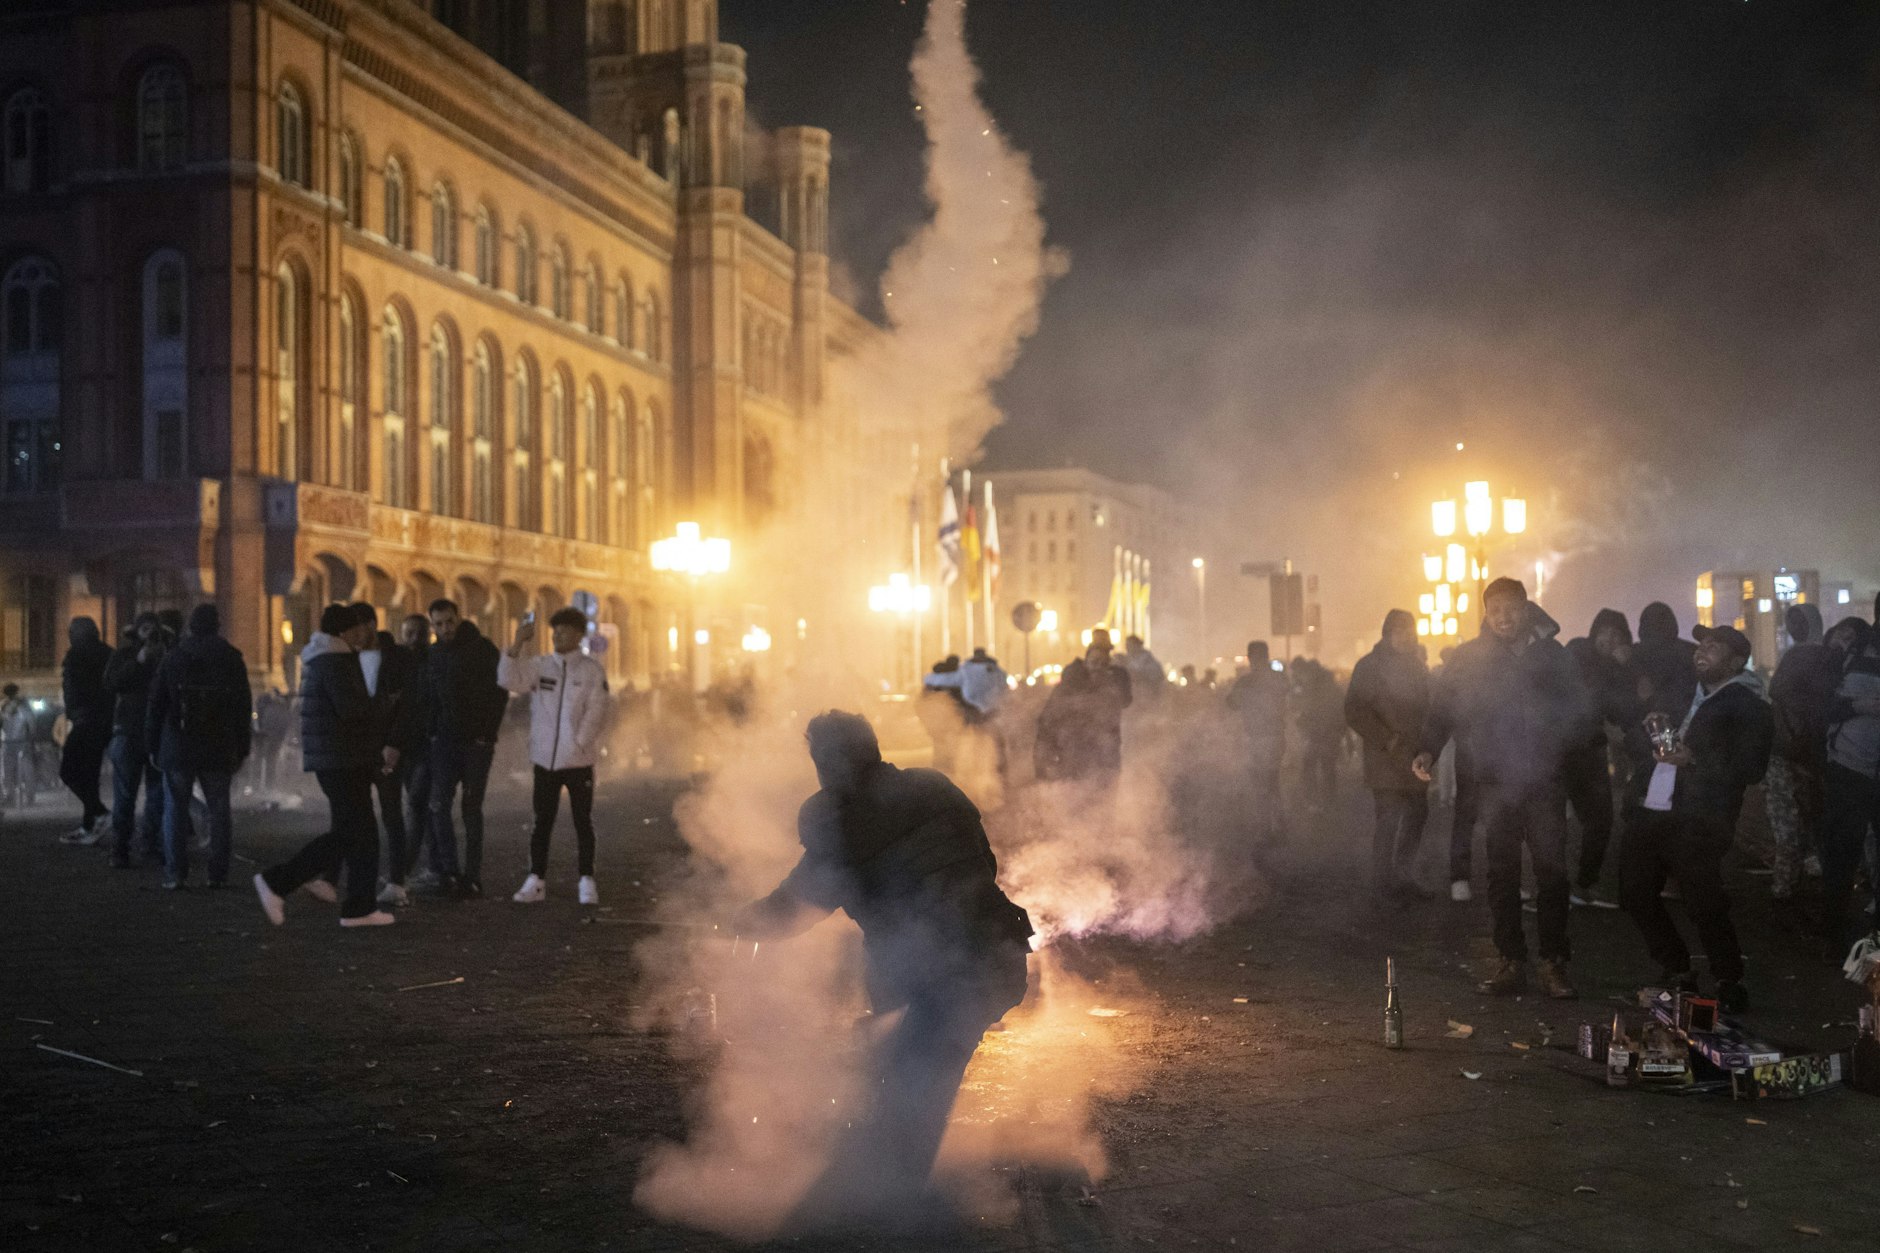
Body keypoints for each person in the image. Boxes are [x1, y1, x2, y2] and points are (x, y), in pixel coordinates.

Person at [731, 711, 1032, 1230]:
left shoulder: (838, 820)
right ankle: (879, 1184)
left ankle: (885, 1206)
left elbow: (794, 909)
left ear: (829, 762)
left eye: (820, 761)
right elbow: (986, 865)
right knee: (897, 1066)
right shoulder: (935, 787)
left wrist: (735, 924)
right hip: (999, 957)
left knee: (912, 1079)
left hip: (951, 978)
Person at [1415, 579, 1594, 998]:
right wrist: (1428, 749)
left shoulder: (1553, 656)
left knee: (1551, 871)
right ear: (1485, 613)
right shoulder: (1471, 659)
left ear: (1526, 608)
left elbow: (1581, 710)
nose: (1503, 616)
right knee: (1501, 872)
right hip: (1494, 781)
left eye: (1510, 608)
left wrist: (1567, 750)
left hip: (1544, 781)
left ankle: (1554, 962)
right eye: (1494, 609)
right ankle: (1511, 959)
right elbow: (1443, 707)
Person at [1617, 625, 1772, 1012]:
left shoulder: (1749, 705)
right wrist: (1647, 730)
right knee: (1634, 891)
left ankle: (1729, 978)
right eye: (1701, 644)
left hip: (1700, 818)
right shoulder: (1682, 692)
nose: (1702, 650)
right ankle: (1676, 968)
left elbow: (1751, 767)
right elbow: (1635, 743)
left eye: (1715, 646)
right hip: (1652, 808)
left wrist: (1695, 760)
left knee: (1703, 902)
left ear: (1737, 661)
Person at [253, 604, 396, 927]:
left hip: (339, 757)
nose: (365, 633)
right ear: (347, 631)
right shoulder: (335, 662)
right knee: (350, 833)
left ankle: (360, 908)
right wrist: (384, 703)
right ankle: (278, 881)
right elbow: (353, 709)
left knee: (362, 834)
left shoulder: (325, 658)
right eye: (360, 627)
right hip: (342, 758)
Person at [502, 607, 609, 905]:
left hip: (578, 761)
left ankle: (586, 879)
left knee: (582, 821)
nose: (556, 634)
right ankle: (536, 879)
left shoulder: (591, 670)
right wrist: (516, 645)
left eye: (563, 630)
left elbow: (597, 711)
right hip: (544, 760)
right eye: (554, 630)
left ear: (578, 634)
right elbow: (510, 681)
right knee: (542, 821)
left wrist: (579, 744)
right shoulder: (541, 665)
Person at [145, 605, 252, 889]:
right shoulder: (231, 659)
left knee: (175, 810)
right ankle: (217, 874)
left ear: (190, 627)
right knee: (219, 810)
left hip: (178, 745)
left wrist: (152, 745)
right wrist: (243, 747)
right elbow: (243, 707)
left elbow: (156, 706)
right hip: (219, 745)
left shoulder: (174, 658)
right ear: (218, 626)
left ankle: (175, 874)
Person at [421, 598, 506, 899]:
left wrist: (488, 733)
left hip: (476, 743)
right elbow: (431, 697)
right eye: (439, 624)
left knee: (471, 808)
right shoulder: (434, 654)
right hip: (445, 741)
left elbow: (500, 694)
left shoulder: (483, 650)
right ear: (433, 626)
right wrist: (432, 733)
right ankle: (450, 872)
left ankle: (472, 876)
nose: (445, 629)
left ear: (459, 619)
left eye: (449, 622)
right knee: (438, 805)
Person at [1345, 610, 1430, 897]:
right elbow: (1354, 711)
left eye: (1410, 630)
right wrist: (1387, 739)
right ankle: (1383, 884)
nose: (1406, 637)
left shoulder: (1417, 667)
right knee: (1389, 821)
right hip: (1386, 760)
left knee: (1417, 816)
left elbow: (1429, 707)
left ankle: (1405, 876)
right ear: (1387, 634)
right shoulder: (1369, 667)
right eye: (1400, 631)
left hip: (1414, 759)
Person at [1562, 608, 1634, 907]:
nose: (1609, 639)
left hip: (1590, 749)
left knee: (1601, 819)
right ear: (1594, 632)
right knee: (1551, 821)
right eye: (1605, 632)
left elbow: (1616, 710)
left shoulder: (1613, 667)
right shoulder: (1578, 649)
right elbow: (1585, 687)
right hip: (1559, 748)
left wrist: (1624, 670)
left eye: (1617, 635)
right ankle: (1555, 887)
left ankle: (1583, 885)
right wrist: (1615, 667)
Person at [1765, 604, 1837, 899]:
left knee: (1786, 819)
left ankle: (1784, 884)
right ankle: (1816, 873)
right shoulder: (1830, 658)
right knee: (1816, 815)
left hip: (1784, 750)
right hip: (1820, 751)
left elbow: (1777, 697)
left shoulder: (1793, 658)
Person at [1820, 619, 1880, 956]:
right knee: (1842, 855)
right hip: (1849, 768)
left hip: (1855, 767)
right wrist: (1860, 707)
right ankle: (1835, 938)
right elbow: (1821, 707)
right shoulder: (1850, 653)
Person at [102, 612, 170, 867]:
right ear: (136, 631)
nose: (149, 634)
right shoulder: (124, 654)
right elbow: (110, 682)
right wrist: (138, 662)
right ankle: (120, 848)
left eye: (153, 630)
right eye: (145, 629)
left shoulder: (166, 656)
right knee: (125, 795)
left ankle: (148, 843)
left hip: (157, 733)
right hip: (129, 732)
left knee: (157, 795)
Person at [1033, 631, 1131, 783]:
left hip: (1105, 752)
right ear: (1086, 662)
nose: (1098, 668)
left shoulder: (1116, 678)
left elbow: (1125, 700)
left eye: (1103, 663)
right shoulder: (1072, 680)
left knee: (1104, 794)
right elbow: (1050, 718)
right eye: (1095, 662)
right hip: (1075, 751)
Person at [56, 616, 115, 842]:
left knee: (69, 770)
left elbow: (75, 689)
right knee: (89, 774)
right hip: (102, 720)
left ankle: (99, 813)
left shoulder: (76, 655)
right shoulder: (107, 653)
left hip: (86, 720)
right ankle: (90, 825)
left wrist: (77, 711)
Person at [1226, 641, 1289, 846]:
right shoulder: (1279, 678)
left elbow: (1231, 703)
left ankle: (1266, 829)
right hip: (1277, 736)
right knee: (1272, 780)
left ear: (1251, 657)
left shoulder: (1247, 682)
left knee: (1262, 783)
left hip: (1258, 738)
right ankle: (1279, 823)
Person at [1293, 657, 1346, 807]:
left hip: (1318, 733)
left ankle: (1313, 800)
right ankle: (1329, 800)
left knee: (1310, 767)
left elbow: (1310, 710)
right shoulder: (1331, 687)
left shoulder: (1313, 689)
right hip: (1329, 733)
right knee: (1327, 768)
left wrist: (1303, 721)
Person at [1, 683, 37, 807]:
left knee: (10, 771)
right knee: (26, 771)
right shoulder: (24, 705)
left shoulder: (5, 706)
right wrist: (32, 738)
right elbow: (31, 724)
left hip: (11, 742)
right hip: (21, 741)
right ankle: (29, 797)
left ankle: (12, 797)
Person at [1120, 635, 1167, 707]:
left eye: (1130, 645)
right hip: (1131, 699)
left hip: (1146, 698)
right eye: (1126, 645)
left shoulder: (1149, 661)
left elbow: (1157, 678)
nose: (1127, 648)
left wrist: (1137, 675)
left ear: (1137, 645)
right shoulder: (1126, 660)